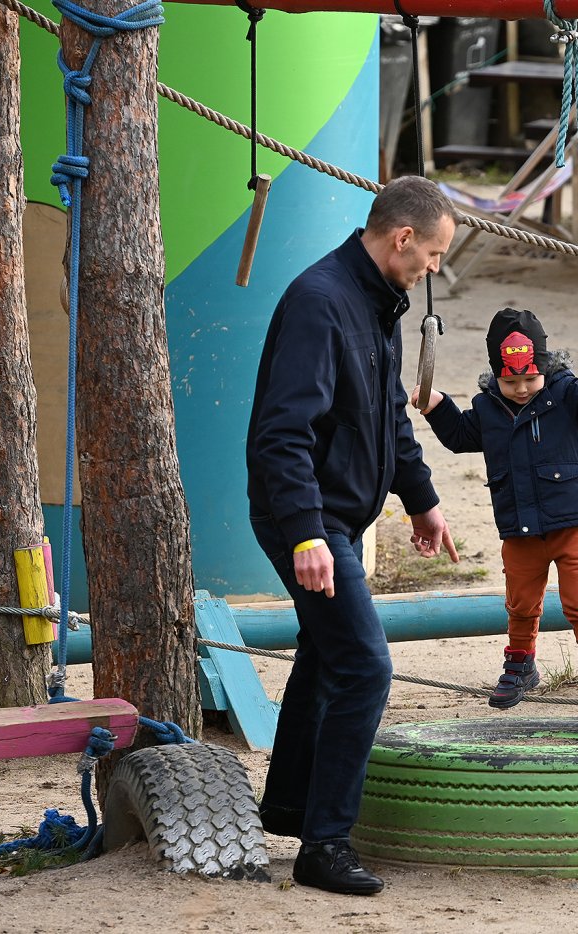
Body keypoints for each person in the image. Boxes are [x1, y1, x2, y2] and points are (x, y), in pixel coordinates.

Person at [246, 175, 458, 896]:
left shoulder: (376, 303)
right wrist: (306, 533)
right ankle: (324, 844)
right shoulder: (320, 303)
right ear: (403, 239)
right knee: (364, 665)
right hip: (304, 515)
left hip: (333, 513)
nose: (434, 269)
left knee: (326, 650)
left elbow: (388, 415)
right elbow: (283, 434)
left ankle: (289, 807)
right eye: (432, 255)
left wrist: (421, 498)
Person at [412, 307, 578, 709]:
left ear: (545, 367)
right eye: (511, 381)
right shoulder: (489, 408)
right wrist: (437, 405)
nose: (523, 388)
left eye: (530, 378)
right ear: (497, 375)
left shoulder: (568, 396)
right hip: (518, 526)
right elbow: (459, 436)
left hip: (572, 521)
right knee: (521, 602)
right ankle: (521, 664)